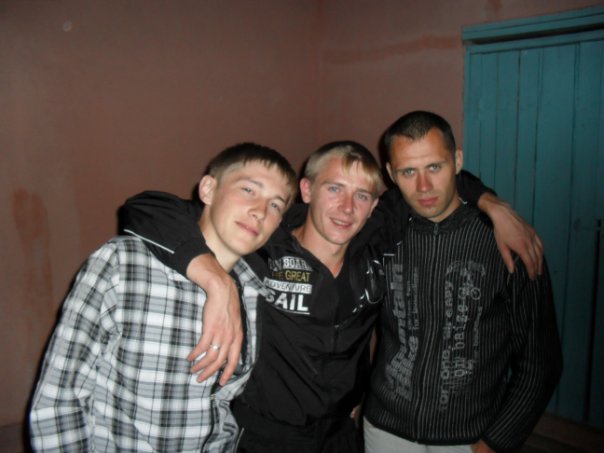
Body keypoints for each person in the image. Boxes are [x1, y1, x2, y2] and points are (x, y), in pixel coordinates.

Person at [119, 139, 542, 452]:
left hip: (342, 433)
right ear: (306, 191)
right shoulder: (265, 239)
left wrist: (492, 205)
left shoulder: (377, 239)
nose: (347, 207)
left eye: (362, 195)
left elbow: (433, 179)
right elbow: (146, 208)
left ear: (375, 205)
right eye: (334, 189)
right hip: (263, 435)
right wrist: (217, 281)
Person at [28, 143, 297, 452]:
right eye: (248, 190)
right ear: (208, 189)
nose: (260, 211)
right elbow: (59, 401)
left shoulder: (256, 292)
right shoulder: (124, 264)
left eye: (275, 205)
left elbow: (221, 406)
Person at [362, 111, 563, 453]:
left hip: (469, 436)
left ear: (457, 161)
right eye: (408, 172)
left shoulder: (506, 242)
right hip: (384, 428)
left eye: (434, 167)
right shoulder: (383, 235)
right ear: (391, 175)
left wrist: (496, 441)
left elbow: (540, 360)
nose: (423, 186)